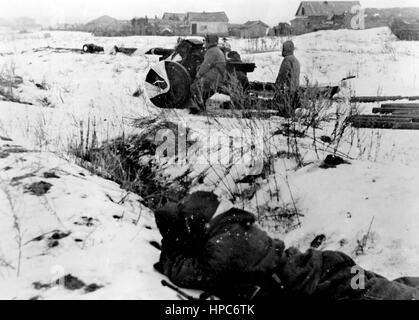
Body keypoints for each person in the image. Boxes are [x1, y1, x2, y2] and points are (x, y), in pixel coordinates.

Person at [154, 191, 419, 300]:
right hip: (324, 272)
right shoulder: (226, 228)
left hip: (328, 282)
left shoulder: (226, 241)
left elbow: (190, 272)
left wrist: (169, 254)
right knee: (385, 287)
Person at [188, 34, 227, 114]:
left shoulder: (212, 51)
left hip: (213, 78)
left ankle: (196, 107)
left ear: (209, 42)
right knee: (204, 91)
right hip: (218, 77)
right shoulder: (217, 50)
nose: (204, 42)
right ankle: (201, 105)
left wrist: (198, 74)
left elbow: (206, 65)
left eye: (205, 40)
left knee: (193, 87)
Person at [274, 40, 301, 116]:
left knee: (284, 115)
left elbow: (282, 76)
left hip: (287, 93)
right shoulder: (296, 60)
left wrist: (276, 88)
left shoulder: (287, 60)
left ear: (286, 49)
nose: (282, 51)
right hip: (295, 92)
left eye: (283, 48)